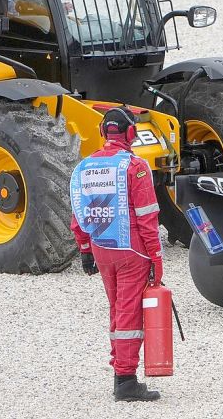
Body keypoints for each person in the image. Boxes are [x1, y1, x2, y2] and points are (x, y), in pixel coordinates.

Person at [70, 106, 164, 402]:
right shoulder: (135, 167)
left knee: (117, 310)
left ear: (103, 133)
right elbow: (148, 218)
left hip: (101, 249)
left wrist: (85, 250)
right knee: (129, 313)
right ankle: (125, 380)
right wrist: (157, 259)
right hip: (132, 251)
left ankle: (119, 371)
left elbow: (78, 216)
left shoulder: (84, 167)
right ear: (131, 134)